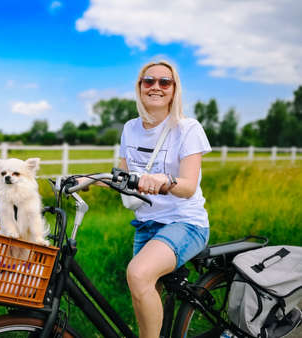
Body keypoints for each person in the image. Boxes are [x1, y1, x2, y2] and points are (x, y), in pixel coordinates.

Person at [119, 60, 211, 338]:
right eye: (149, 81)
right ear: (139, 86)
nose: (156, 87)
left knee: (137, 274)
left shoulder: (188, 128)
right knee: (142, 292)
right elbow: (121, 175)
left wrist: (165, 181)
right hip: (146, 224)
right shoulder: (130, 129)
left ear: (174, 89)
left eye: (164, 82)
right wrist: (86, 180)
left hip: (186, 223)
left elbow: (188, 187)